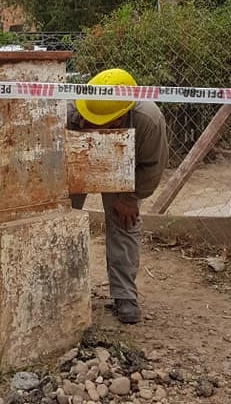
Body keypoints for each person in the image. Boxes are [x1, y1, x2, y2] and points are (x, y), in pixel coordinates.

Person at [68, 68, 169, 325]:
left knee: (125, 223)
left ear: (120, 118)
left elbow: (153, 165)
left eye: (98, 123)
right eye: (88, 119)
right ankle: (63, 291)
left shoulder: (148, 119)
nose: (89, 123)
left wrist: (130, 197)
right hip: (76, 158)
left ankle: (125, 295)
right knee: (63, 222)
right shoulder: (71, 110)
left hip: (123, 166)